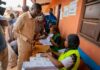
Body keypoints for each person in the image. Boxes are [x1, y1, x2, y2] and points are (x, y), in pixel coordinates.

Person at [13, 3, 44, 70]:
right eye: (36, 12)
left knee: (27, 62)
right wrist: (26, 39)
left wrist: (35, 35)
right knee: (21, 62)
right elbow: (14, 31)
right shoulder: (23, 17)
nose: (37, 14)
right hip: (23, 45)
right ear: (31, 9)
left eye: (39, 13)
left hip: (31, 44)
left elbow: (31, 31)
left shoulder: (34, 18)